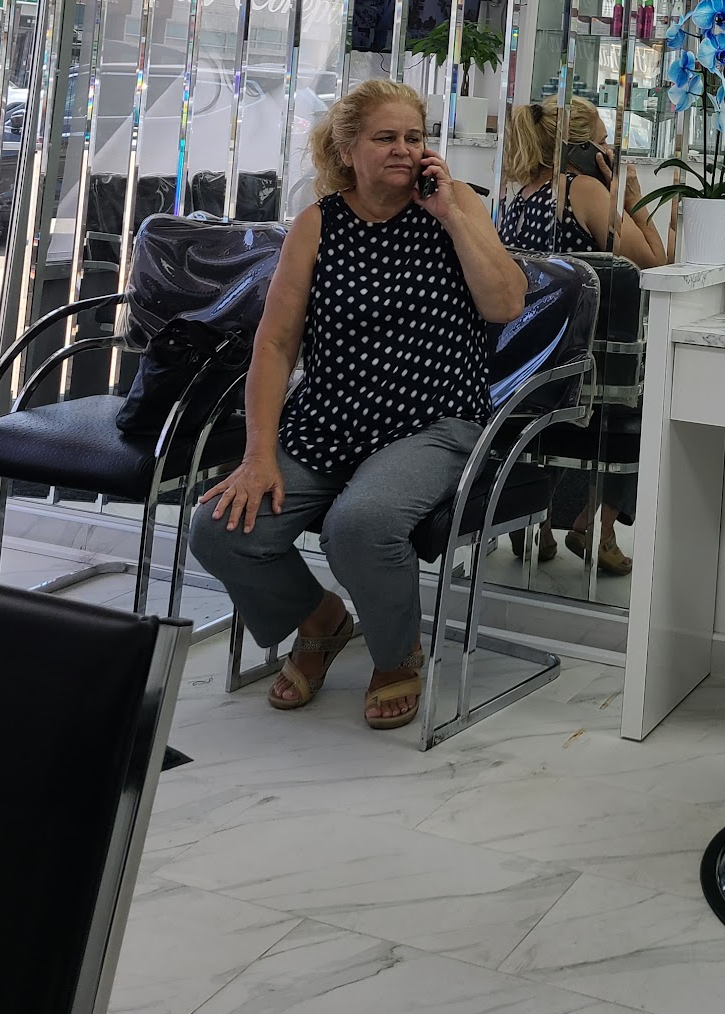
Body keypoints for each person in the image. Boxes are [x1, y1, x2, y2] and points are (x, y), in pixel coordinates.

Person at [189, 80, 526, 730]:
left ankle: (397, 656)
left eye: (413, 137)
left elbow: (506, 304)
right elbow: (275, 345)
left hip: (432, 420)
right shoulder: (318, 224)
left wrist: (451, 217)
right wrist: (258, 454)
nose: (403, 149)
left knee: (358, 526)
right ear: (347, 150)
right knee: (219, 530)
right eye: (385, 138)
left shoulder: (456, 205)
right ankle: (321, 620)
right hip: (328, 422)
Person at [496, 96, 665, 576]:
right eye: (604, 143)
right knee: (657, 393)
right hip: (590, 364)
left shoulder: (517, 197)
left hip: (528, 364)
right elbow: (655, 266)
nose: (611, 152)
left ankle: (537, 518)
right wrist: (633, 203)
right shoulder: (584, 191)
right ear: (582, 150)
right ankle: (596, 524)